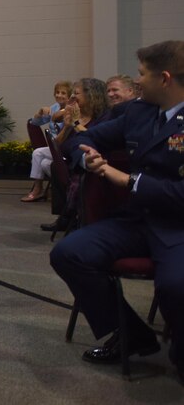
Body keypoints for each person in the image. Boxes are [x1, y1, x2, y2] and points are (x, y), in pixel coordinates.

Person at [50, 40, 184, 383]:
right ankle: (131, 334)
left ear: (165, 78)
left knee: (175, 285)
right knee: (69, 253)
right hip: (137, 220)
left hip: (176, 225)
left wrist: (129, 181)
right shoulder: (138, 113)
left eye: (142, 74)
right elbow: (79, 141)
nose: (138, 82)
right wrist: (89, 158)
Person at [40, 78, 112, 233]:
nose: (72, 97)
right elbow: (56, 145)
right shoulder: (74, 115)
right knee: (55, 166)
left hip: (90, 162)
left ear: (91, 95)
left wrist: (75, 123)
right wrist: (66, 127)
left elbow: (95, 137)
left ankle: (72, 216)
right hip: (71, 160)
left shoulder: (104, 117)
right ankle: (65, 215)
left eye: (76, 93)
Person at [21, 80, 72, 203]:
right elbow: (34, 123)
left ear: (70, 96)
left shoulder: (72, 110)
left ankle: (38, 189)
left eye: (63, 93)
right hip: (55, 147)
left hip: (66, 147)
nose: (59, 95)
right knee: (44, 164)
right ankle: (61, 189)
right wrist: (39, 113)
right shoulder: (54, 107)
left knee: (38, 153)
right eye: (57, 92)